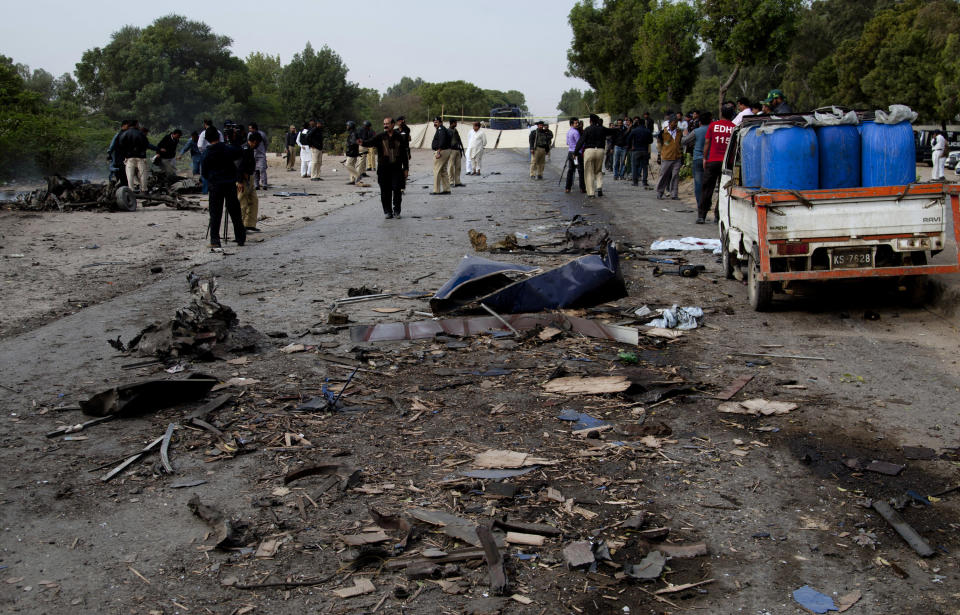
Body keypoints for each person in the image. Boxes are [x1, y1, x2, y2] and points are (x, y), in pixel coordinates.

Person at [199, 127, 245, 249]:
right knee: (235, 211)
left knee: (215, 213)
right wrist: (234, 138)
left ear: (207, 139)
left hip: (215, 185)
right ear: (219, 136)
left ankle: (215, 240)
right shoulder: (227, 149)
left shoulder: (207, 153)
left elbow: (203, 172)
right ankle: (240, 238)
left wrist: (211, 178)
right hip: (229, 184)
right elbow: (240, 152)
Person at [358, 117, 410, 219]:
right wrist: (362, 142)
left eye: (387, 124)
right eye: (384, 124)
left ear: (393, 124)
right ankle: (387, 211)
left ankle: (397, 211)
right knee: (385, 191)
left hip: (396, 169)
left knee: (396, 189)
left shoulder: (399, 137)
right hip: (383, 169)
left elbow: (404, 154)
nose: (385, 125)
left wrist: (406, 168)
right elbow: (370, 142)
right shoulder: (380, 136)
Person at [698, 104, 736, 223]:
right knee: (723, 190)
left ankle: (702, 216)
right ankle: (718, 216)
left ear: (721, 113)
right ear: (732, 114)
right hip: (727, 164)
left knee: (707, 189)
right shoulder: (734, 128)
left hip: (712, 161)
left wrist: (705, 158)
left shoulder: (713, 126)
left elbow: (707, 143)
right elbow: (735, 147)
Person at [574, 114, 618, 197]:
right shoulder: (602, 129)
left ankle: (591, 193)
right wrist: (618, 128)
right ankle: (599, 187)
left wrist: (575, 152)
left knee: (589, 172)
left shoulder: (587, 129)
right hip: (600, 151)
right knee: (598, 170)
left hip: (589, 151)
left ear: (590, 121)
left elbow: (581, 142)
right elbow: (612, 131)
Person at [682, 111, 711, 211]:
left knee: (698, 184)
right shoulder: (712, 130)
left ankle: (700, 205)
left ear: (699, 122)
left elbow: (684, 141)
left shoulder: (697, 131)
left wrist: (685, 134)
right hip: (710, 159)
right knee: (709, 184)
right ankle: (708, 204)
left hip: (698, 159)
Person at [655, 114, 683, 200]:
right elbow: (659, 144)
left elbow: (680, 144)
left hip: (677, 157)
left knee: (675, 176)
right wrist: (659, 155)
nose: (675, 124)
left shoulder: (679, 132)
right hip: (666, 157)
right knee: (664, 175)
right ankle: (660, 192)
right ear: (670, 123)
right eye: (674, 123)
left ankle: (674, 194)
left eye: (676, 123)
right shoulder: (663, 132)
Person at [118, 120, 150, 192]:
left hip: (129, 157)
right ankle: (144, 189)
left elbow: (121, 145)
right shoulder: (141, 134)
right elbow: (146, 144)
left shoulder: (125, 133)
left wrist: (125, 154)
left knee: (130, 175)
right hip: (140, 157)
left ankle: (131, 190)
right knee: (143, 174)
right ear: (136, 125)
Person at [238, 131, 260, 233]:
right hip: (243, 179)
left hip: (250, 178)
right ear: (254, 141)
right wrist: (240, 181)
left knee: (254, 200)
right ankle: (239, 226)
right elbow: (239, 166)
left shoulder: (250, 149)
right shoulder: (244, 149)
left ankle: (249, 224)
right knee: (242, 203)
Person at [627, 115, 654, 188]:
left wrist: (630, 146)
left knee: (634, 166)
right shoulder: (648, 131)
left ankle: (635, 182)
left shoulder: (634, 130)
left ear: (638, 123)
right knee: (645, 167)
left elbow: (629, 138)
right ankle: (644, 182)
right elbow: (651, 141)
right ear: (644, 124)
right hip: (645, 150)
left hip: (636, 150)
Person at [430, 116, 452, 195]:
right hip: (446, 150)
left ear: (440, 122)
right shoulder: (442, 129)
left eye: (436, 122)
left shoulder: (440, 130)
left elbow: (442, 140)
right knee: (443, 170)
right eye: (434, 122)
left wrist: (438, 151)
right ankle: (447, 189)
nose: (435, 124)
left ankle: (436, 190)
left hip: (442, 151)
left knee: (437, 170)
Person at [564, 117, 585, 193]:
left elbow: (567, 143)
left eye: (577, 123)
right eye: (576, 123)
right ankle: (582, 188)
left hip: (570, 153)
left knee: (571, 170)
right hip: (576, 154)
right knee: (580, 170)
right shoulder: (576, 132)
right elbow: (579, 143)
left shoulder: (568, 132)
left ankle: (567, 187)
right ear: (572, 124)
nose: (577, 124)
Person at [107, 120, 130, 186]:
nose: (129, 128)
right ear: (124, 125)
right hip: (116, 155)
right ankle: (113, 182)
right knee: (114, 168)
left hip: (121, 156)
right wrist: (109, 153)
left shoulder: (125, 134)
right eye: (128, 126)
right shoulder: (118, 134)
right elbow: (112, 146)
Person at [247, 123, 269, 189]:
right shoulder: (249, 134)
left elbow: (266, 143)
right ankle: (256, 185)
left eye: (250, 128)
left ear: (254, 128)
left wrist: (264, 150)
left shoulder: (262, 134)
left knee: (262, 169)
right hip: (253, 154)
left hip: (261, 154)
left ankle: (264, 184)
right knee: (255, 170)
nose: (249, 130)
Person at [344, 120, 363, 185]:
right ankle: (352, 180)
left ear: (351, 126)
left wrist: (348, 145)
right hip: (353, 151)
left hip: (352, 152)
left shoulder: (353, 133)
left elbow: (353, 143)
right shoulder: (353, 132)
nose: (347, 127)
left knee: (347, 165)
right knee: (352, 165)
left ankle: (358, 176)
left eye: (348, 125)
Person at [447, 119, 465, 187]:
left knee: (458, 167)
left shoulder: (455, 130)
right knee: (451, 167)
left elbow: (459, 139)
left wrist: (461, 149)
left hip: (457, 150)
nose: (456, 124)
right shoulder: (448, 131)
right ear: (452, 123)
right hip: (452, 150)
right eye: (455, 123)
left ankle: (457, 182)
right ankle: (451, 182)